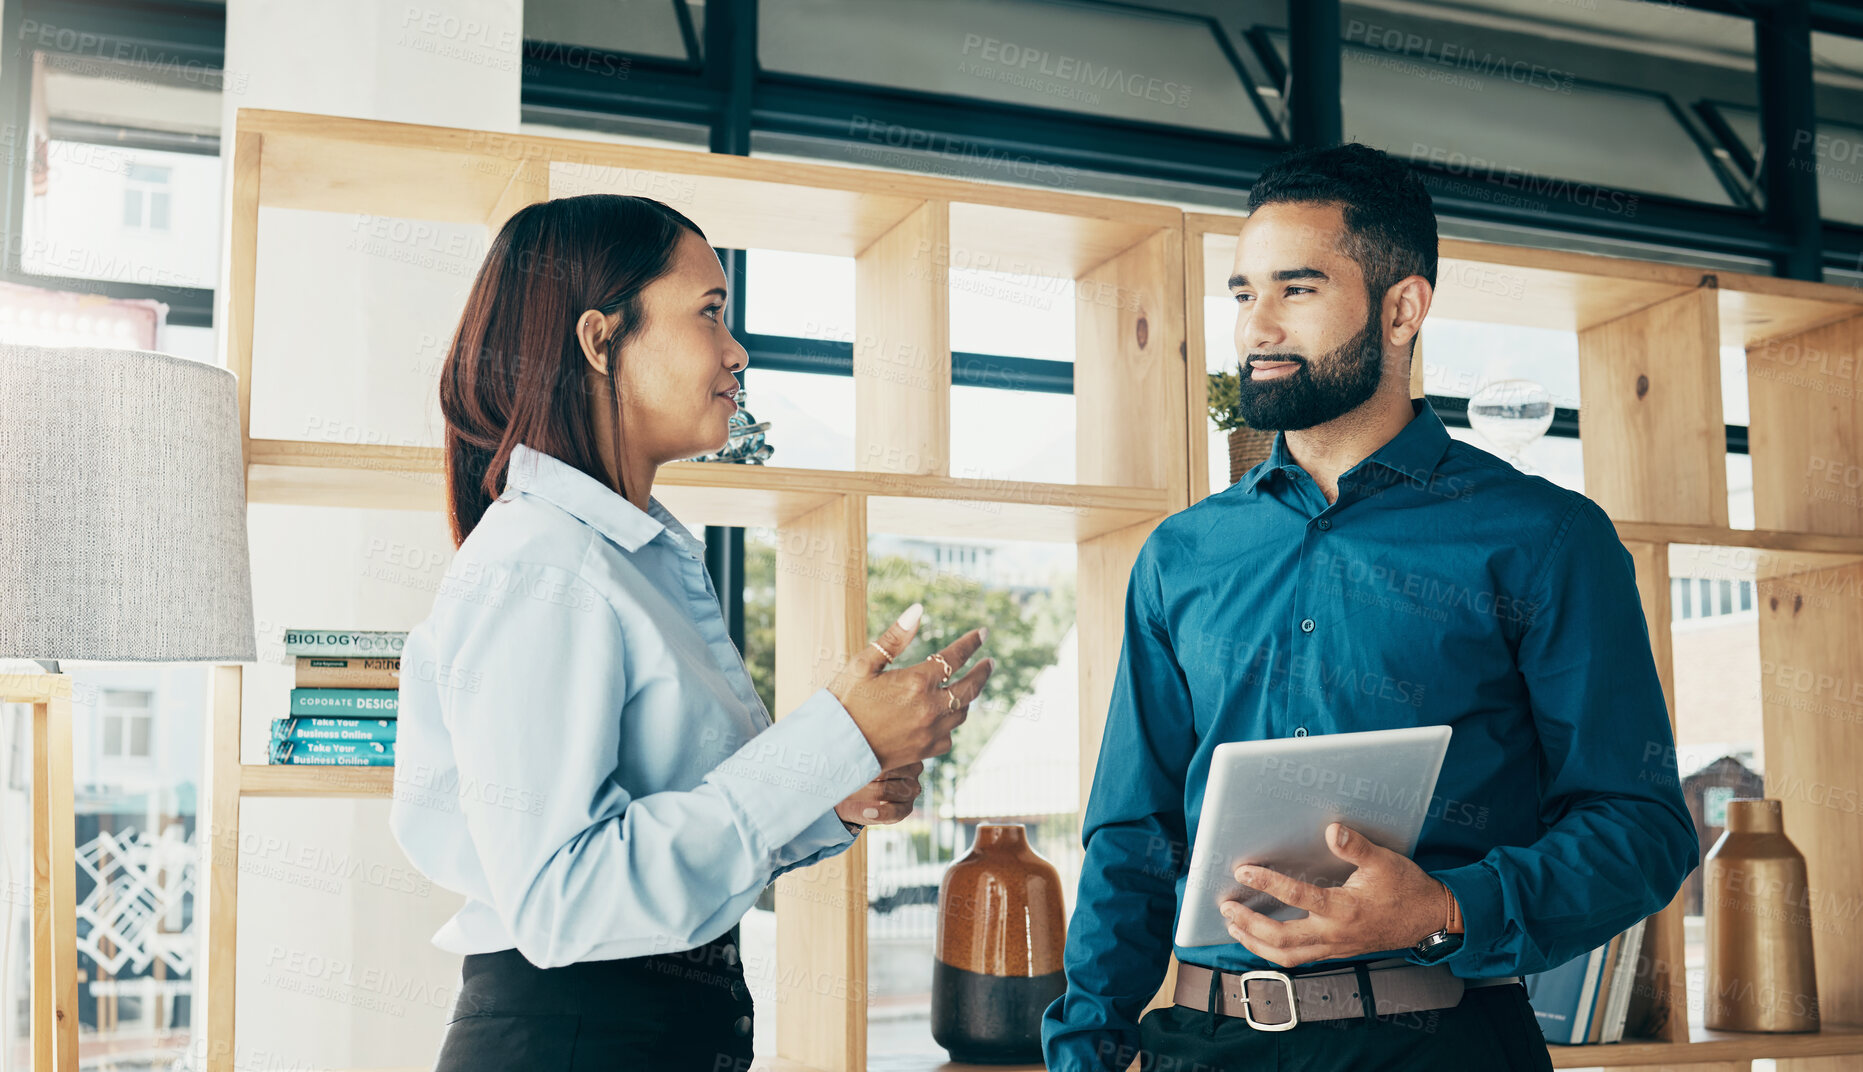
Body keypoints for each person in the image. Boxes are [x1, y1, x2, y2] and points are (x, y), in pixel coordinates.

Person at [1041, 143, 1697, 1071]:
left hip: (1443, 1046)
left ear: (1401, 308)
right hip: (1201, 1045)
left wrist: (1442, 908)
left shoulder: (1544, 539)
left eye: (1295, 291)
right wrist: (1083, 1052)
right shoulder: (1181, 555)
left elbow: (1641, 829)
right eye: (1241, 293)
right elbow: (1131, 836)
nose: (1255, 328)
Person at [387, 194, 995, 1071]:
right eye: (709, 313)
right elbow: (562, 898)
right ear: (600, 341)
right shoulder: (543, 562)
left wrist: (832, 787)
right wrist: (835, 741)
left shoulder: (629, 554)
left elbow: (667, 832)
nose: (737, 349)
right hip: (577, 1038)